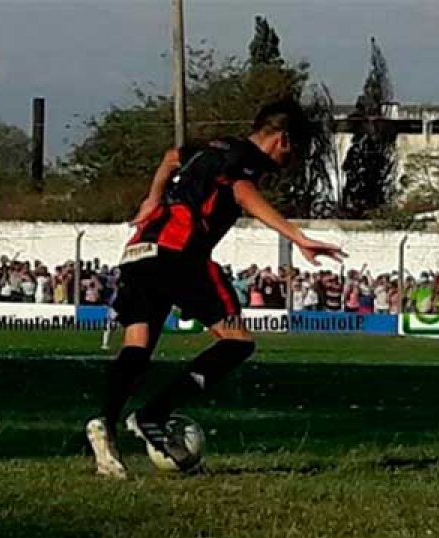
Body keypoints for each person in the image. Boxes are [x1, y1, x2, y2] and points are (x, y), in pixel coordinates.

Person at [85, 99, 345, 479]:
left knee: (137, 347)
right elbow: (241, 193)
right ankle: (152, 416)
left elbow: (172, 157)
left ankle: (103, 425)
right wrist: (297, 237)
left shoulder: (215, 147)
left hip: (141, 250)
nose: (293, 159)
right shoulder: (245, 158)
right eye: (296, 149)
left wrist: (153, 197)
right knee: (237, 341)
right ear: (282, 139)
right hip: (179, 250)